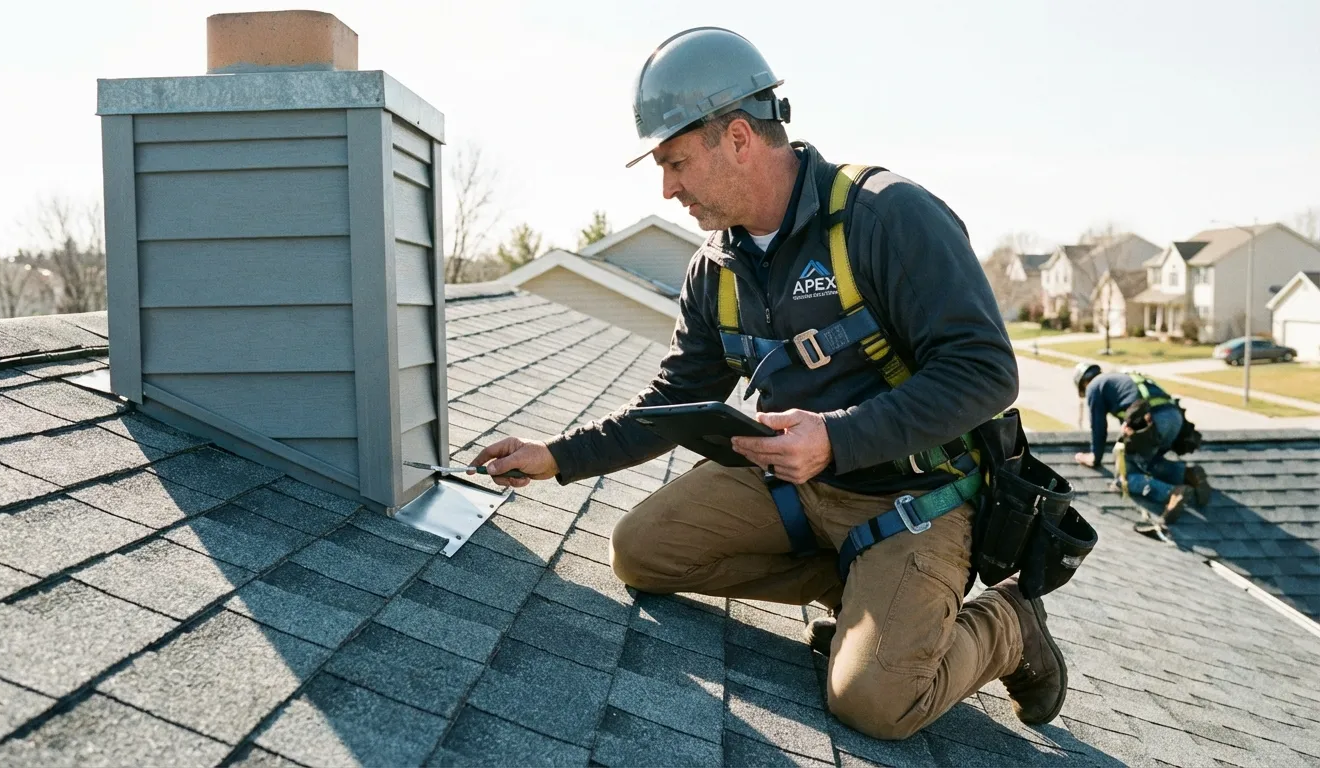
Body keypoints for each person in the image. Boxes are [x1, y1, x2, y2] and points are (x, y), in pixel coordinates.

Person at [472, 27, 1066, 740]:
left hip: (914, 498)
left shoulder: (886, 217)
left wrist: (836, 438)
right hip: (793, 487)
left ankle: (1007, 624)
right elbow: (670, 401)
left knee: (875, 704)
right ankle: (857, 599)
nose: (668, 188)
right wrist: (558, 455)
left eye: (676, 162)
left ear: (740, 137)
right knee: (640, 551)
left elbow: (986, 372)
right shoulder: (714, 270)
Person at [1072, 363, 1211, 522]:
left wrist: (1094, 457)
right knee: (1146, 463)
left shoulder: (1094, 386)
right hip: (1174, 418)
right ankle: (1187, 474)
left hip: (1153, 421)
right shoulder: (1120, 378)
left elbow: (1098, 426)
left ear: (1084, 383)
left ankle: (1172, 492)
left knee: (1125, 477)